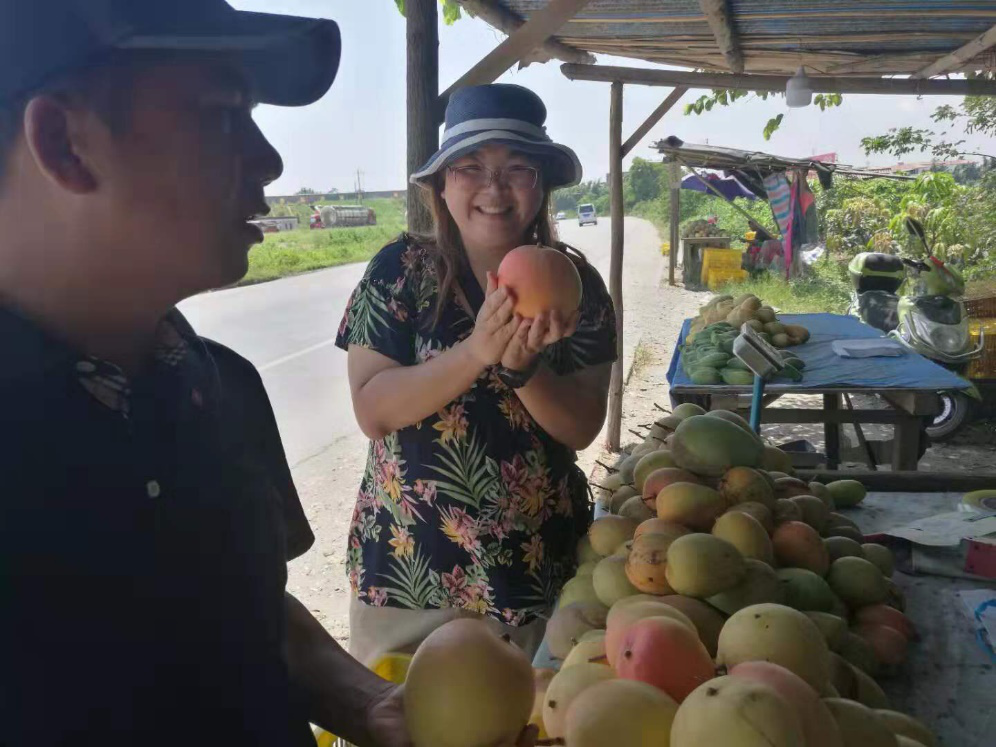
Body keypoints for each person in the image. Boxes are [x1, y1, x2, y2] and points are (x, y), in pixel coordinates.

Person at [0, 2, 410, 745]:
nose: (270, 160)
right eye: (224, 114)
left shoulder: (217, 385)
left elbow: (246, 606)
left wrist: (369, 703)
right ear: (65, 144)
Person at [337, 84, 617, 666]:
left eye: (516, 168)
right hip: (410, 566)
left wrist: (522, 369)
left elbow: (582, 427)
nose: (494, 188)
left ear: (541, 185)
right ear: (443, 184)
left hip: (534, 566)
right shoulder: (400, 270)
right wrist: (476, 351)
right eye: (470, 168)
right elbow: (374, 409)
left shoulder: (582, 289)